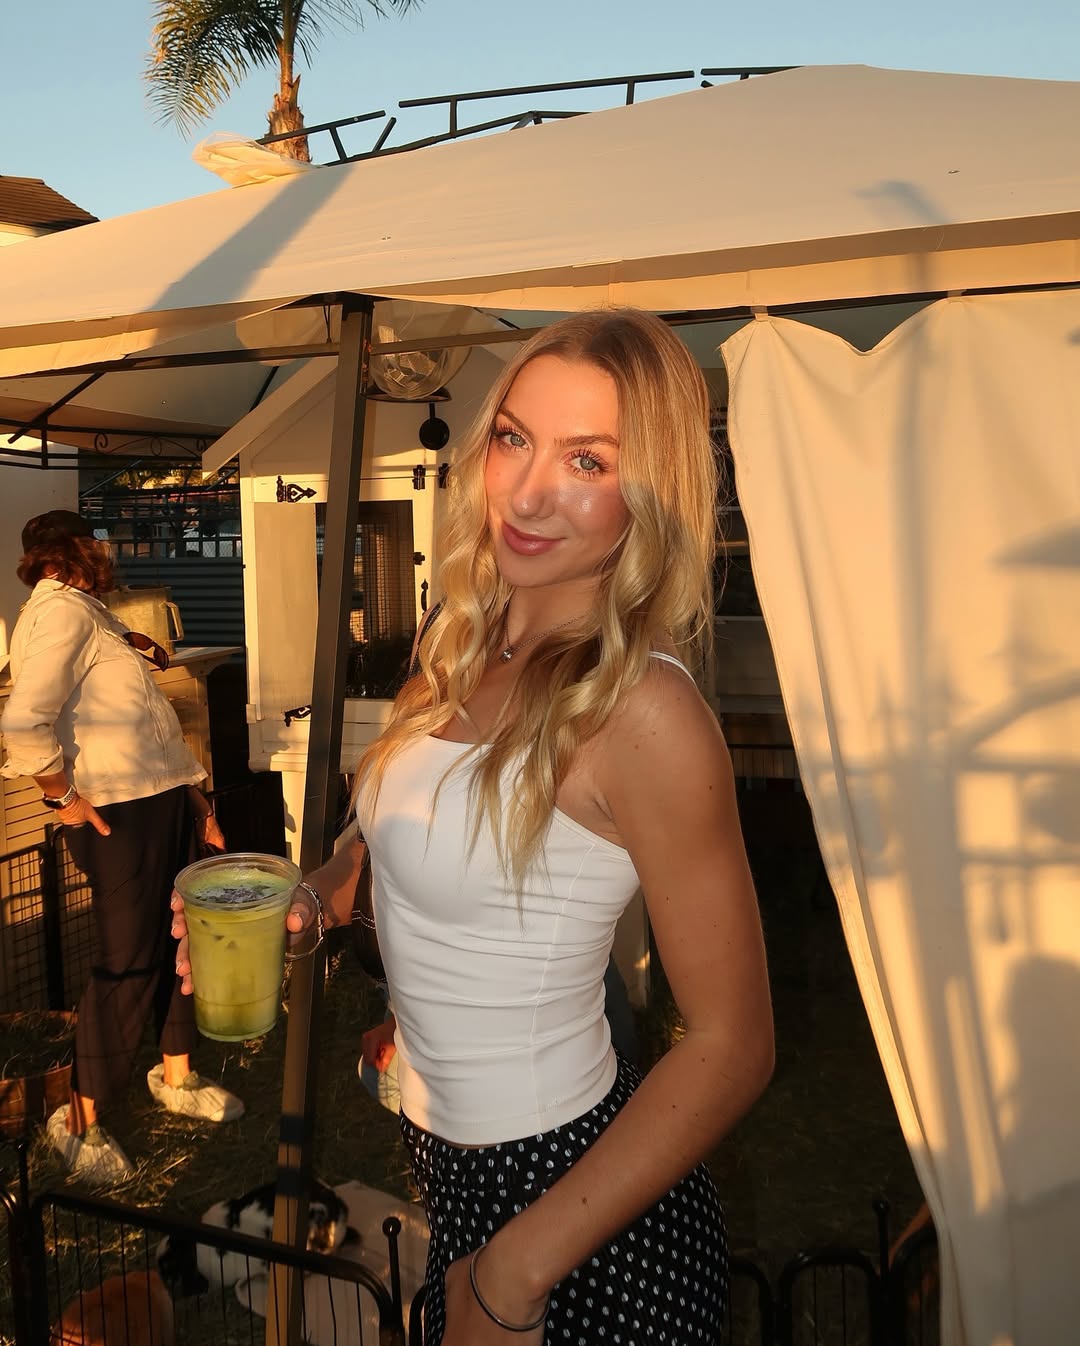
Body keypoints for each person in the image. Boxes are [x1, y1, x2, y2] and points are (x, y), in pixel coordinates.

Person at [176, 308, 775, 1344]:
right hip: (446, 1165)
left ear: (650, 491)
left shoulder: (643, 709)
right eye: (513, 438)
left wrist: (512, 1275)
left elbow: (734, 1044)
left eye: (586, 460)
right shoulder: (462, 636)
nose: (528, 492)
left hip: (576, 1208)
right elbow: (385, 841)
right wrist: (310, 901)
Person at [0, 510, 243, 1186]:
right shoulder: (59, 612)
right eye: (96, 544)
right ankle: (76, 1121)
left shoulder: (87, 612)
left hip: (158, 801)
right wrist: (61, 798)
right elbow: (22, 722)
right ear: (70, 553)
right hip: (118, 814)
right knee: (127, 964)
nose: (106, 554)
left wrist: (195, 801)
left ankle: (176, 1075)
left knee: (180, 936)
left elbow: (146, 725)